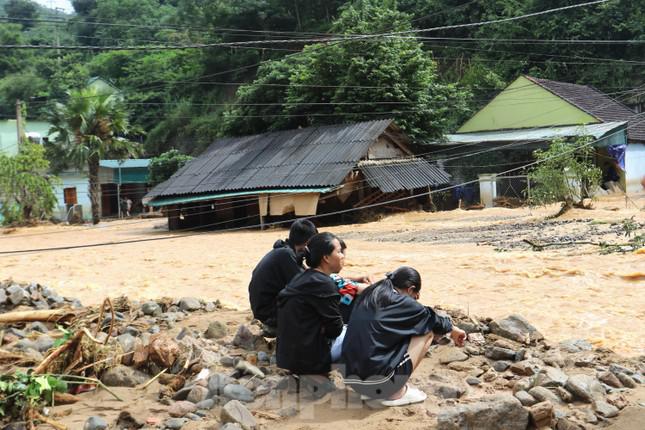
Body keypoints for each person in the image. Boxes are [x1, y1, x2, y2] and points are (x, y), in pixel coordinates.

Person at [341, 266, 466, 407]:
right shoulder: (401, 302)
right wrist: (454, 330)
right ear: (411, 289)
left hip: (352, 380)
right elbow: (433, 319)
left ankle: (373, 389)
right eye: (416, 297)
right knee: (427, 333)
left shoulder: (372, 291)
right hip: (376, 384)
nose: (415, 301)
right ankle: (395, 393)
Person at [276, 232, 344, 380]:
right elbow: (335, 329)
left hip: (288, 357)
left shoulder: (301, 276)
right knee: (361, 330)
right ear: (326, 258)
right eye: (338, 252)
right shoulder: (324, 284)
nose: (342, 256)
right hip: (309, 360)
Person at [248, 219, 318, 337]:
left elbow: (307, 273)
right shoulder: (286, 255)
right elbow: (306, 284)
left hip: (263, 308)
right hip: (268, 314)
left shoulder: (285, 250)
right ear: (307, 242)